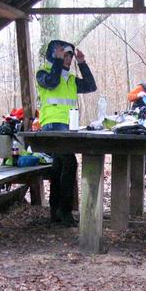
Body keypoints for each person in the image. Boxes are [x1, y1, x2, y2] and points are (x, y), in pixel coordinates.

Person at [36, 39, 97, 226]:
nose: (68, 58)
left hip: (68, 127)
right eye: (65, 54)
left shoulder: (70, 80)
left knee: (59, 167)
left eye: (70, 55)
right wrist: (57, 61)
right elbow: (52, 83)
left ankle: (56, 212)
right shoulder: (43, 73)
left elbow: (90, 86)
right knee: (69, 163)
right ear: (54, 54)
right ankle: (65, 212)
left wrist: (82, 63)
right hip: (52, 126)